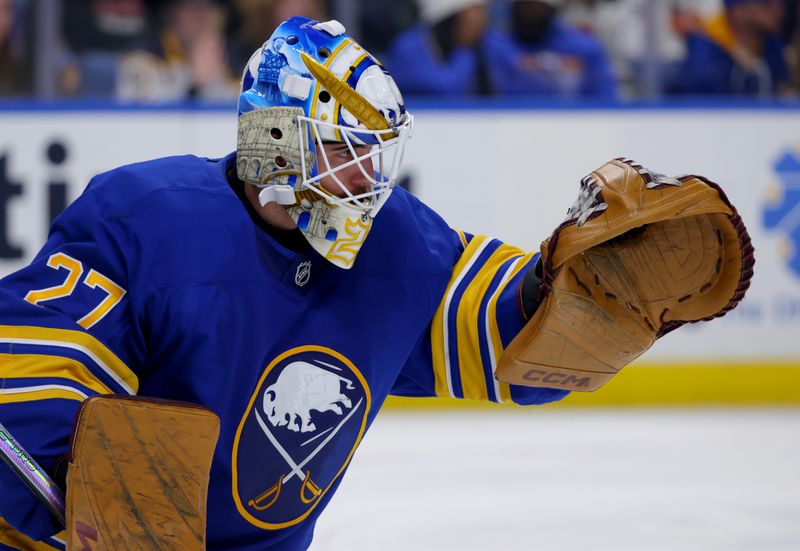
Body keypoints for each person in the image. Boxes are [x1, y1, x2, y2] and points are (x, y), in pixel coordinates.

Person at [0, 16, 567, 550]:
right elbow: (40, 371)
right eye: (343, 150)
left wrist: (563, 296)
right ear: (273, 138)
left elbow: (509, 340)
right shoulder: (147, 218)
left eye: (374, 157)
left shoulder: (399, 241)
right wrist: (54, 503)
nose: (365, 181)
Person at [487, 0, 618, 99]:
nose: (530, 15)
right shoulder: (494, 47)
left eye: (537, 8)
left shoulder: (585, 48)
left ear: (551, 10)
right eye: (525, 7)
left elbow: (607, 100)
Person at [680, 0, 790, 96]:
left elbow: (782, 88)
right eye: (765, 3)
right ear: (738, 11)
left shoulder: (772, 42)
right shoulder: (707, 49)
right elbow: (702, 110)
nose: (778, 8)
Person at [387, 0, 496, 96]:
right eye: (475, 11)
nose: (481, 19)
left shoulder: (488, 41)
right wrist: (464, 49)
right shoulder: (408, 47)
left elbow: (509, 80)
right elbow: (448, 91)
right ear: (448, 18)